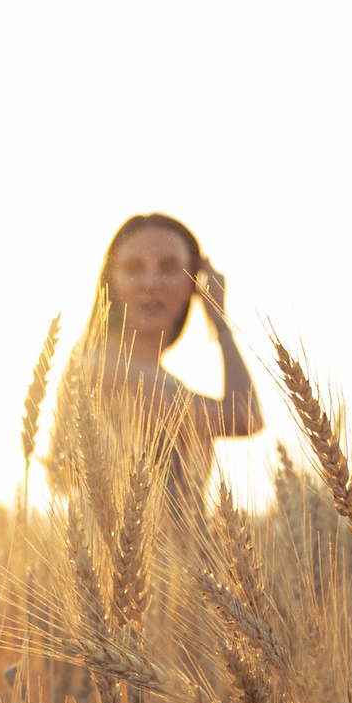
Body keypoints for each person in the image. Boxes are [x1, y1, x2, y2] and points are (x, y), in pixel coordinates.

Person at [59, 213, 262, 527]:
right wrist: (220, 321)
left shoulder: (165, 380)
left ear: (194, 283)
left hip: (178, 572)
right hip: (133, 571)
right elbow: (244, 416)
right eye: (133, 268)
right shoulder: (101, 370)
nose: (151, 283)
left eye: (169, 268)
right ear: (110, 282)